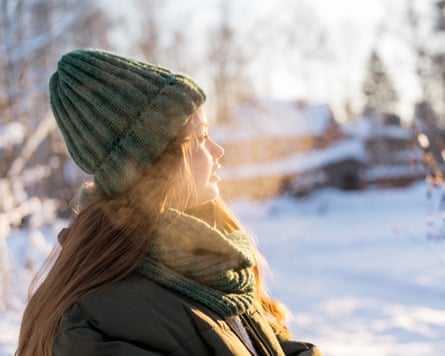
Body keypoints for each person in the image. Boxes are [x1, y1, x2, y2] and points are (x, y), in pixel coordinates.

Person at [16, 49, 322, 356]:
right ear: (155, 161)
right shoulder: (101, 322)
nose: (218, 151)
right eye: (201, 137)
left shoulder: (207, 261)